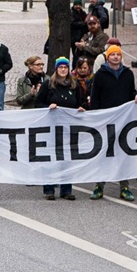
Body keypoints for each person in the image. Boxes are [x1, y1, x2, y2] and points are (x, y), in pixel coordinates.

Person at [89, 45, 137, 201]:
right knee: (105, 152)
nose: (116, 57)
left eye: (118, 54)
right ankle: (99, 185)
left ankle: (124, 187)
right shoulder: (100, 75)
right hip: (107, 120)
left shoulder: (128, 74)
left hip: (123, 120)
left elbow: (131, 91)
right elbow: (95, 97)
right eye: (113, 55)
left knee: (122, 154)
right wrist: (97, 116)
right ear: (108, 57)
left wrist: (136, 96)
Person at [36, 57, 85, 199]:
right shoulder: (48, 85)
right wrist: (48, 107)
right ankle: (49, 189)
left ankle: (66, 189)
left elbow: (80, 102)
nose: (63, 70)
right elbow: (38, 103)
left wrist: (82, 108)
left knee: (67, 158)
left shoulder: (74, 85)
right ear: (56, 69)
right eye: (60, 67)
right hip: (51, 127)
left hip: (68, 127)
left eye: (65, 67)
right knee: (51, 157)